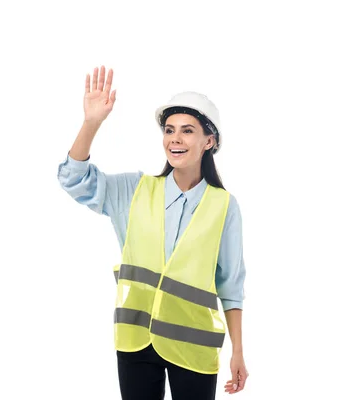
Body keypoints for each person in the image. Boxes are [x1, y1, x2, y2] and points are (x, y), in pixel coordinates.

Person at [57, 66, 249, 399]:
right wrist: (92, 123)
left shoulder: (224, 206)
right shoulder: (134, 190)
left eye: (188, 131)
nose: (175, 138)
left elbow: (231, 285)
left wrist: (238, 351)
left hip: (194, 345)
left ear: (209, 141)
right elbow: (73, 179)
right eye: (170, 130)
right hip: (135, 339)